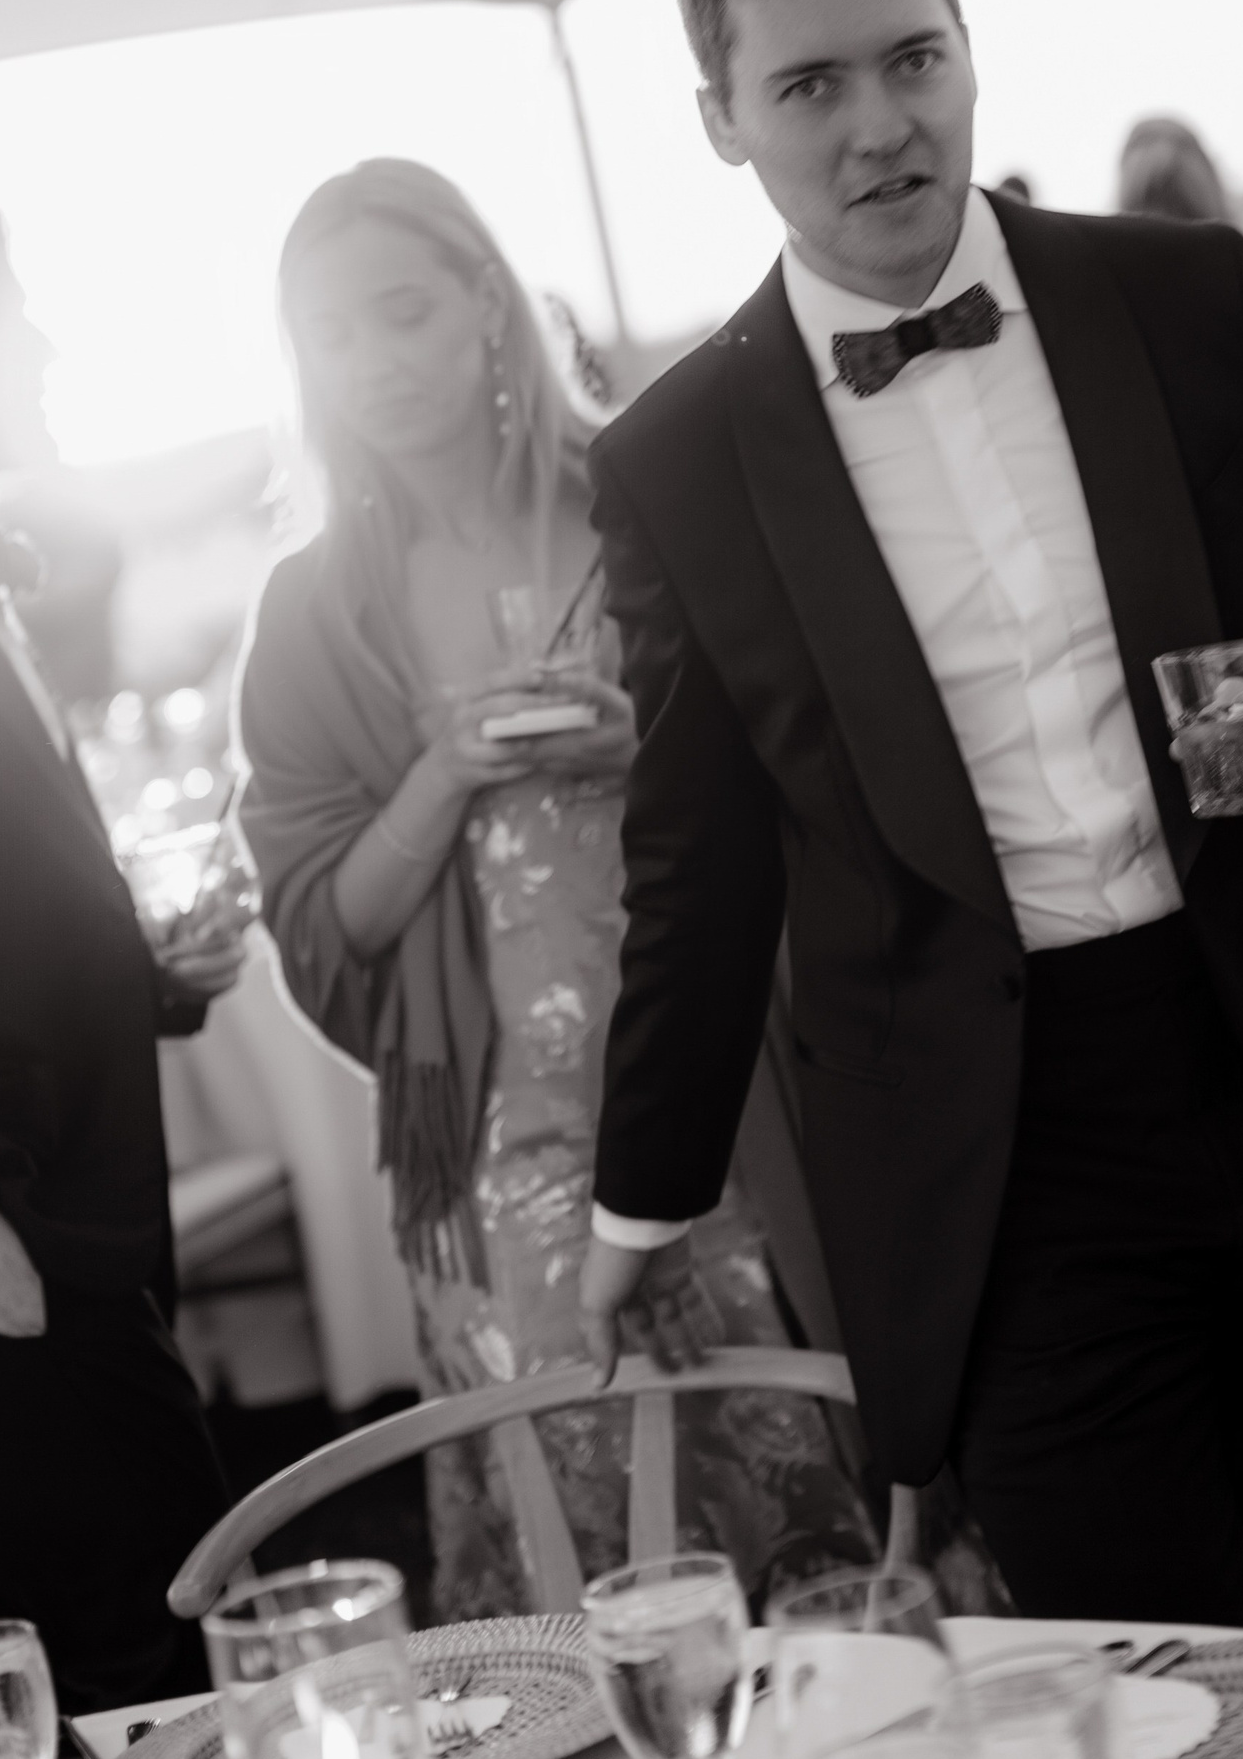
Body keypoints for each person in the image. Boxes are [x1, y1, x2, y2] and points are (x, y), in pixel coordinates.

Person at [577, 0, 1243, 1627]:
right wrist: (639, 1206)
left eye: (914, 59)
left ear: (969, 50)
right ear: (722, 122)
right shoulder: (675, 460)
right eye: (810, 85)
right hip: (995, 1168)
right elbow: (698, 859)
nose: (881, 125)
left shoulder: (1191, 294)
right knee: (1158, 1686)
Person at [236, 161, 869, 1616]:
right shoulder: (314, 611)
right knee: (598, 1545)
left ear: (485, 302)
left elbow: (836, 754)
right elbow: (324, 927)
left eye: (403, 310)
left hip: (746, 1085)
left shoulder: (648, 500)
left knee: (822, 1486)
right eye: (332, 332)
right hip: (504, 1147)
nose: (373, 360)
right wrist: (443, 774)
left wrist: (645, 742)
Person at [0, 185, 240, 1711]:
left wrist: (155, 971)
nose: (44, 346)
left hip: (43, 1211)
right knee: (164, 1638)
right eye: (11, 315)